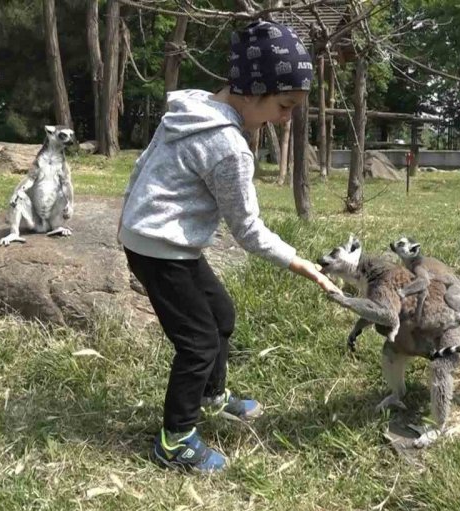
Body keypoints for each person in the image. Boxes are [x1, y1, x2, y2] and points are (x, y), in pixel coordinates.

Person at [118, 20, 341, 473]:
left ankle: (212, 396)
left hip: (153, 237)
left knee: (221, 314)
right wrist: (300, 263)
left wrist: (134, 214)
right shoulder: (228, 147)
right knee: (197, 342)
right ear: (252, 90)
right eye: (283, 105)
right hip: (162, 248)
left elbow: (144, 164)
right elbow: (249, 231)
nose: (286, 118)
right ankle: (175, 439)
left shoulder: (190, 107)